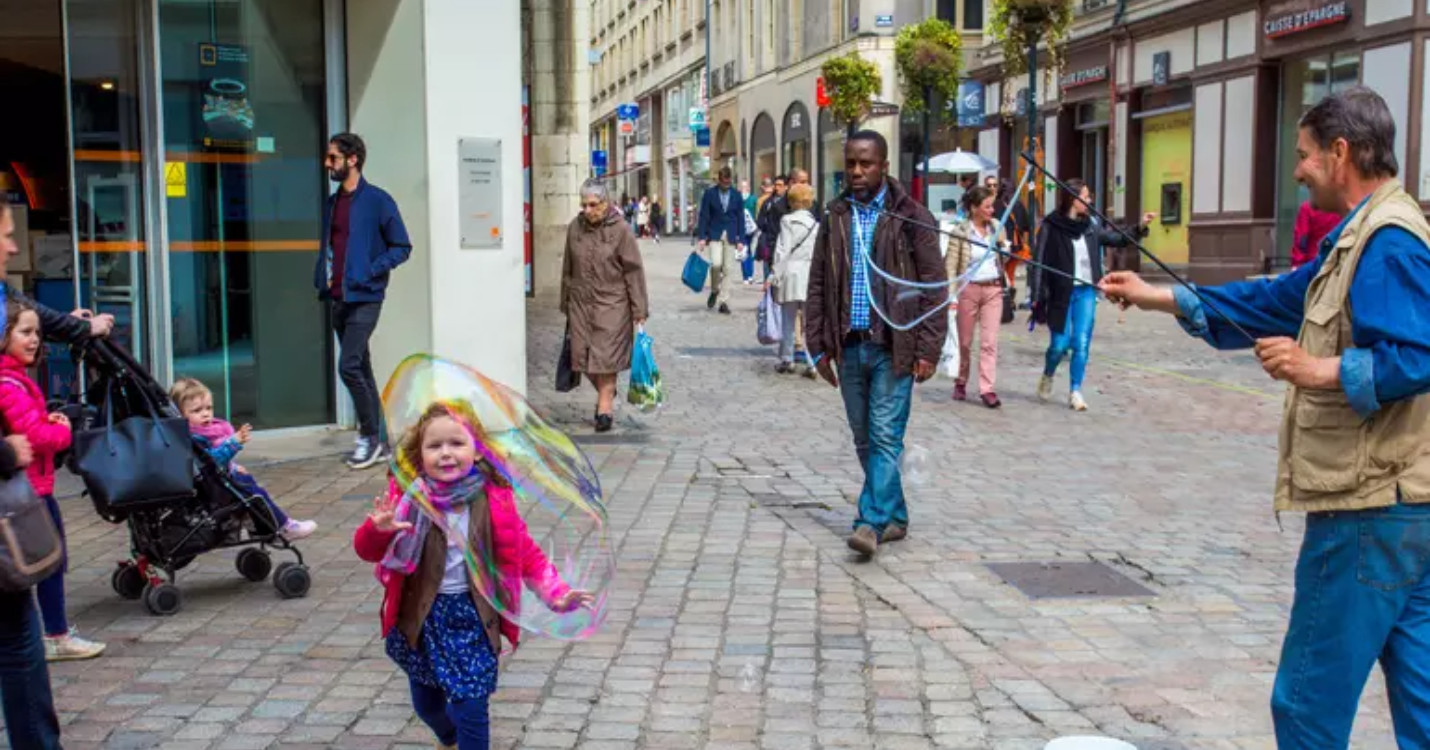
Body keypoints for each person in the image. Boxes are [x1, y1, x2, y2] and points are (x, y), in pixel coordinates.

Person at [1100, 86, 1430, 750]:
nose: (1299, 170)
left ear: (1342, 153)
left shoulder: (1388, 241)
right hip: (1407, 507)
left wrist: (1320, 371)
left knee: (1307, 704)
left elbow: (1417, 354)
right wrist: (1157, 296)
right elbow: (1276, 298)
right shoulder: (1363, 235)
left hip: (1367, 511)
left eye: (1305, 155)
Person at [354, 401, 594, 750]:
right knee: (428, 705)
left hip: (473, 618)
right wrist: (379, 531)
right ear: (420, 456)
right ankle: (447, 738)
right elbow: (367, 551)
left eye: (457, 443)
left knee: (471, 707)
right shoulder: (408, 501)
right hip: (423, 618)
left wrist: (556, 594)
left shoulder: (493, 501)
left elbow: (525, 554)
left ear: (478, 451)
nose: (446, 453)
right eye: (435, 446)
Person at [806, 130, 947, 558]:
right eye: (850, 163)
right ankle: (896, 517)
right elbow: (818, 283)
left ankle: (869, 522)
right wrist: (816, 344)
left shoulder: (912, 217)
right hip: (849, 344)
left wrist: (928, 348)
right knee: (865, 439)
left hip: (894, 346)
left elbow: (934, 288)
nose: (856, 171)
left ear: (885, 165)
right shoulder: (835, 216)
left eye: (866, 163)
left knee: (886, 436)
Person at [0, 299, 104, 663]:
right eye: (24, 332)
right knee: (49, 562)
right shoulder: (9, 384)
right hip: (30, 494)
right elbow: (35, 435)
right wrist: (62, 430)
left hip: (31, 490)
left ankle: (52, 631)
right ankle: (56, 634)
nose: (33, 340)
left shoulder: (16, 379)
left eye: (37, 334)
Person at [317, 133, 413, 469]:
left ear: (352, 159)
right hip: (338, 297)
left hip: (366, 296)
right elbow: (331, 247)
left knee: (348, 365)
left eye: (333, 158)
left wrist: (371, 271)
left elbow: (401, 247)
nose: (328, 164)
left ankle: (368, 436)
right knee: (362, 368)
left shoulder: (378, 201)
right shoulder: (332, 203)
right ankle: (383, 442)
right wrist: (325, 276)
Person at [1030, 178, 1154, 412]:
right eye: (1085, 197)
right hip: (1060, 293)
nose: (1089, 201)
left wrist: (1139, 227)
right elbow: (1038, 262)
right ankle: (1048, 374)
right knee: (1059, 345)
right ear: (1072, 199)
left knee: (1081, 342)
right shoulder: (1051, 226)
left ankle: (1075, 390)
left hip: (1085, 291)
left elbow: (1117, 239)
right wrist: (1036, 295)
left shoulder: (1091, 225)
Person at [169, 378, 318, 539]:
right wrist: (233, 443)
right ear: (180, 414)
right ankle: (283, 526)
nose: (206, 414)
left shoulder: (211, 430)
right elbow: (210, 461)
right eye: (197, 411)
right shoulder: (193, 437)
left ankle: (254, 524)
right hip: (211, 486)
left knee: (249, 487)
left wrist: (232, 466)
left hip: (217, 479)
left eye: (209, 408)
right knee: (255, 494)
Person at [561, 180, 649, 433]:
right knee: (583, 359)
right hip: (580, 303)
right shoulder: (574, 229)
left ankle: (604, 408)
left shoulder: (621, 230)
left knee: (606, 358)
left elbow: (634, 271)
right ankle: (606, 391)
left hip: (612, 303)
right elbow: (567, 267)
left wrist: (639, 309)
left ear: (605, 203)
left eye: (593, 205)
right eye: (584, 205)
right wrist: (565, 301)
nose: (588, 210)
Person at [946, 186, 1010, 408]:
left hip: (993, 289)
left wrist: (1005, 249)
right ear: (974, 208)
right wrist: (951, 297)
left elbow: (1004, 258)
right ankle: (961, 380)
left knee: (989, 342)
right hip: (969, 290)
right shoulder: (961, 232)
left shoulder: (997, 228)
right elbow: (951, 267)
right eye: (988, 206)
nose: (992, 210)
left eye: (993, 206)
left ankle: (987, 389)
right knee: (964, 342)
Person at [768, 183, 819, 377]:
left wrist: (774, 275)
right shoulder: (815, 224)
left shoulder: (787, 221)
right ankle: (812, 363)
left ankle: (787, 359)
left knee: (788, 321)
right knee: (810, 323)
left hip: (790, 274)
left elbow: (782, 251)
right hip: (809, 275)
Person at [696, 167, 747, 314]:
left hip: (731, 235)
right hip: (714, 234)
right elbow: (704, 216)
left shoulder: (737, 195)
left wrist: (741, 239)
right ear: (719, 180)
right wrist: (702, 237)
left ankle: (723, 301)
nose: (726, 185)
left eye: (729, 182)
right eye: (724, 183)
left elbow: (740, 218)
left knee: (728, 269)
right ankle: (714, 290)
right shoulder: (709, 194)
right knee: (716, 264)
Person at [756, 175, 790, 280]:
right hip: (769, 240)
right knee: (768, 267)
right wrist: (766, 225)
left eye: (780, 185)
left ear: (786, 187)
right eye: (775, 185)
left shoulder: (789, 202)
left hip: (783, 240)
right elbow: (760, 221)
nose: (777, 188)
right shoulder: (768, 202)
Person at [1290, 199, 1339, 270]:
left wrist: (1297, 263)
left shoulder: (1307, 208)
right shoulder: (1338, 208)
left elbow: (1302, 238)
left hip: (1312, 262)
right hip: (1334, 260)